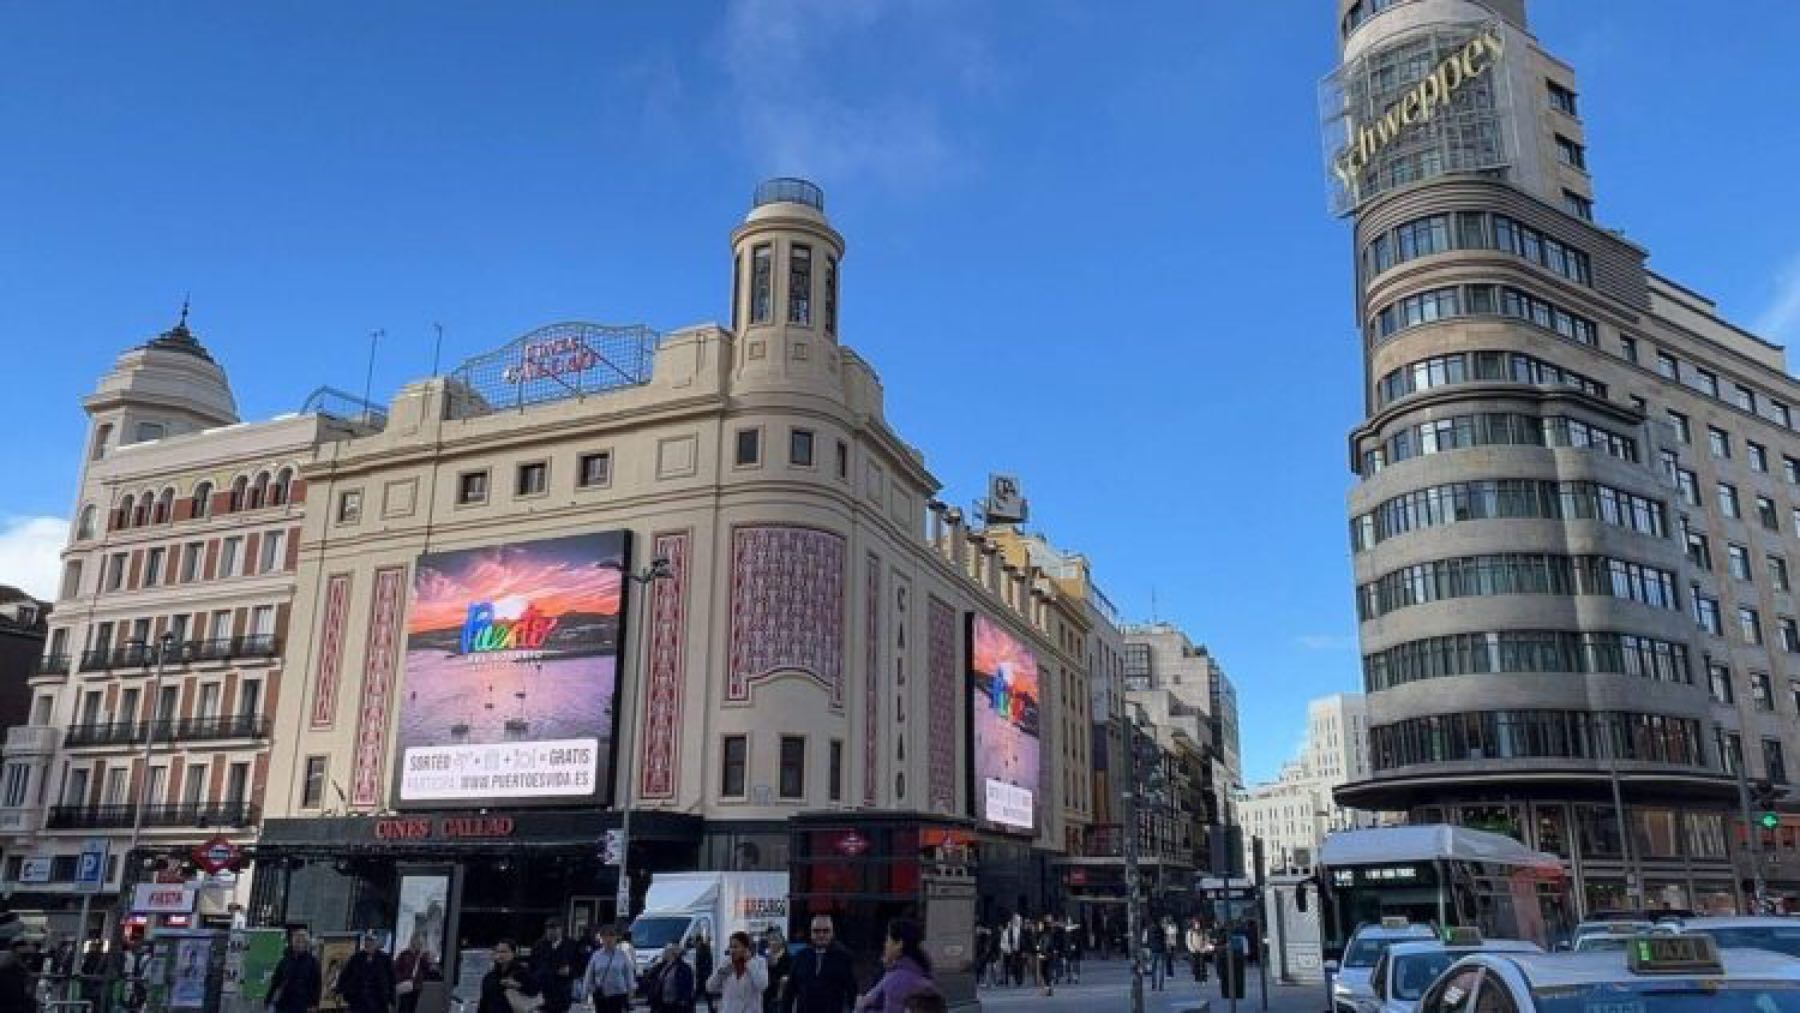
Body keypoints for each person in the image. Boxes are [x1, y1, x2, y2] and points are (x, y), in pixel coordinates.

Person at [853, 919, 933, 1012]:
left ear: (899, 944)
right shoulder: (920, 973)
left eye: (888, 939)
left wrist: (860, 1007)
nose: (885, 944)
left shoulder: (898, 980)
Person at [783, 914, 858, 1013]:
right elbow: (789, 993)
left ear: (832, 932)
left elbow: (852, 993)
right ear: (810, 933)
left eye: (826, 931)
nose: (821, 935)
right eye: (816, 931)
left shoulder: (844, 958)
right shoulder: (800, 957)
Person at [704, 932, 766, 1013]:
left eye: (736, 947)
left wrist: (750, 962)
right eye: (731, 947)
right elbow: (709, 987)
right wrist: (721, 973)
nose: (732, 950)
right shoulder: (726, 962)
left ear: (746, 948)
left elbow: (762, 985)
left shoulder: (759, 962)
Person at [335, 931, 396, 1013]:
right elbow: (345, 975)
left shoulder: (385, 959)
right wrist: (339, 991)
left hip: (378, 1002)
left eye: (371, 941)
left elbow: (391, 981)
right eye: (367, 940)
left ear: (377, 942)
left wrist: (391, 1001)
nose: (368, 943)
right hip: (358, 1001)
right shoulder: (356, 958)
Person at [582, 923, 636, 1013]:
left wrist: (631, 992)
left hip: (618, 995)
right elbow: (589, 975)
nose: (608, 939)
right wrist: (585, 993)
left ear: (616, 938)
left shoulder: (622, 955)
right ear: (601, 939)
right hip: (601, 996)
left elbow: (629, 974)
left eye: (611, 936)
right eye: (605, 936)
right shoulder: (596, 956)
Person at [530, 921, 581, 1013]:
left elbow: (580, 965)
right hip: (543, 992)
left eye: (553, 929)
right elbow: (533, 965)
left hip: (563, 992)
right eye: (548, 929)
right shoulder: (539, 945)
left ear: (560, 930)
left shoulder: (572, 945)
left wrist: (570, 971)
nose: (550, 932)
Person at [269, 928, 323, 1013]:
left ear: (306, 944)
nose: (297, 944)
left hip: (302, 1004)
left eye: (300, 942)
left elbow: (317, 985)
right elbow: (276, 980)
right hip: (283, 1002)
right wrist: (269, 997)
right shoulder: (285, 960)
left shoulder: (312, 962)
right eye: (296, 941)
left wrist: (314, 1004)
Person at [478, 940, 538, 1013]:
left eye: (504, 952)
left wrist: (517, 986)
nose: (500, 955)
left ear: (513, 953)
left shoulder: (522, 973)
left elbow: (534, 992)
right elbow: (484, 1002)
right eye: (498, 952)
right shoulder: (490, 977)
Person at [643, 943, 697, 1013]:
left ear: (673, 954)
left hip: (677, 1004)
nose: (664, 952)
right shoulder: (660, 966)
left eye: (666, 950)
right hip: (661, 1003)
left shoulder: (684, 968)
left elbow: (688, 985)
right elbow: (650, 978)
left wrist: (684, 999)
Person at [393, 934, 436, 1013]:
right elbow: (395, 969)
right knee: (404, 1007)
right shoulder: (404, 954)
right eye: (418, 943)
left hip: (416, 987)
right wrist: (401, 978)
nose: (419, 945)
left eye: (421, 943)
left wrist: (425, 957)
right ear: (413, 942)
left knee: (412, 1008)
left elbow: (427, 970)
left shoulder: (422, 957)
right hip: (405, 985)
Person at [760, 929, 791, 1013]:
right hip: (764, 998)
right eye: (770, 939)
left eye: (775, 939)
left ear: (782, 940)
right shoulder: (763, 958)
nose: (773, 942)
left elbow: (788, 978)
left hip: (781, 999)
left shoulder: (788, 958)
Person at [693, 933, 716, 1012]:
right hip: (705, 976)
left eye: (695, 942)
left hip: (703, 976)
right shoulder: (703, 949)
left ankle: (691, 1009)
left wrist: (699, 974)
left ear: (698, 941)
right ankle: (711, 1009)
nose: (694, 944)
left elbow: (703, 964)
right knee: (707, 995)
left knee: (697, 994)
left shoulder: (702, 950)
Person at [1144, 918, 1167, 992]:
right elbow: (1164, 939)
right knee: (1161, 969)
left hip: (1153, 950)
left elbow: (1146, 941)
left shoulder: (1148, 930)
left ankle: (1154, 985)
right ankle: (1161, 986)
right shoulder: (1161, 929)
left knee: (1153, 969)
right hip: (1161, 950)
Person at [997, 915, 1020, 988]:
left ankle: (1014, 979)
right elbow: (1002, 943)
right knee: (1006, 966)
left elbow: (1018, 941)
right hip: (1007, 952)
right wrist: (1005, 948)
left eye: (1011, 924)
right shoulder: (1005, 932)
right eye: (1009, 924)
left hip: (1014, 951)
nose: (1010, 926)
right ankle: (1007, 980)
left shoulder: (1016, 931)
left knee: (1014, 965)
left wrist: (1016, 947)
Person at [1185, 918, 1210, 984]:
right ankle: (1197, 978)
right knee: (1196, 964)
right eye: (1196, 924)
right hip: (1194, 951)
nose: (1197, 925)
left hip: (1202, 950)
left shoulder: (1203, 931)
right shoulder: (1190, 931)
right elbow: (1188, 941)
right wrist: (1192, 949)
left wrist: (1205, 948)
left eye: (1198, 924)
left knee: (1202, 964)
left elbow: (1207, 940)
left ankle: (1204, 978)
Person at [1064, 916, 1084, 985]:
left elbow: (1079, 942)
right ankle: (1070, 977)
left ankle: (1074, 977)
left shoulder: (1076, 932)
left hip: (1073, 951)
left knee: (1074, 964)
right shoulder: (1065, 932)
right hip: (1068, 950)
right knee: (1068, 964)